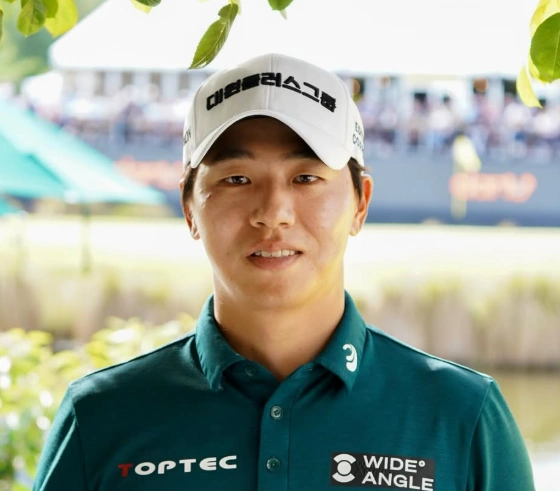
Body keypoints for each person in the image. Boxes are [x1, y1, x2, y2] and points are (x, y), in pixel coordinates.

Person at [33, 53, 535, 491]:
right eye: (237, 178)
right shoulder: (100, 416)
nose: (273, 213)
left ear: (360, 203)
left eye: (306, 177)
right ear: (189, 208)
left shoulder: (463, 414)